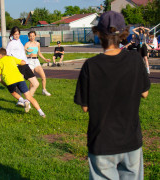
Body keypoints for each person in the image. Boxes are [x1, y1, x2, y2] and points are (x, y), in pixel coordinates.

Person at [74, 11, 150, 180]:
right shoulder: (134, 60)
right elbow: (145, 92)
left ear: (98, 33)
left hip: (101, 142)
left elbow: (85, 106)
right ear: (124, 33)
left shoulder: (90, 66)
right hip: (130, 141)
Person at [0, 48, 46, 118]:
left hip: (10, 81)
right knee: (29, 97)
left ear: (0, 55)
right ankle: (41, 113)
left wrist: (4, 84)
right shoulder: (11, 58)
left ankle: (23, 100)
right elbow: (23, 62)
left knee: (13, 92)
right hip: (20, 79)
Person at [6, 26, 39, 105]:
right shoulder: (11, 43)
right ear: (12, 34)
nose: (17, 36)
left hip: (26, 65)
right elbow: (8, 55)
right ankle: (20, 101)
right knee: (19, 85)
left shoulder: (19, 41)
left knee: (36, 84)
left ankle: (27, 101)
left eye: (18, 34)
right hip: (18, 66)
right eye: (15, 34)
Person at [24, 31, 51, 96]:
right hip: (29, 61)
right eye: (30, 36)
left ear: (35, 36)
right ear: (28, 37)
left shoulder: (37, 44)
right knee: (32, 77)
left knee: (43, 76)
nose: (32, 37)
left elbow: (39, 53)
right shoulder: (27, 44)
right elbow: (23, 53)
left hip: (36, 61)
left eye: (33, 36)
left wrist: (45, 59)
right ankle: (31, 92)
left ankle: (44, 90)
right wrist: (28, 54)